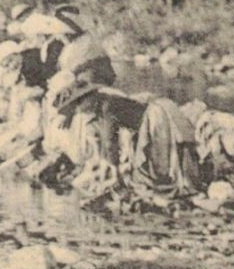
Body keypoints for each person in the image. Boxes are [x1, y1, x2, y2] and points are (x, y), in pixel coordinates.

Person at [51, 81, 204, 198]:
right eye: (76, 107)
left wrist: (115, 171)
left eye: (80, 103)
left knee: (160, 162)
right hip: (145, 121)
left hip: (155, 118)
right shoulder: (100, 106)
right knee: (145, 167)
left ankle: (172, 187)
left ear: (89, 98)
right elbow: (105, 142)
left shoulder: (106, 106)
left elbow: (111, 142)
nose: (80, 109)